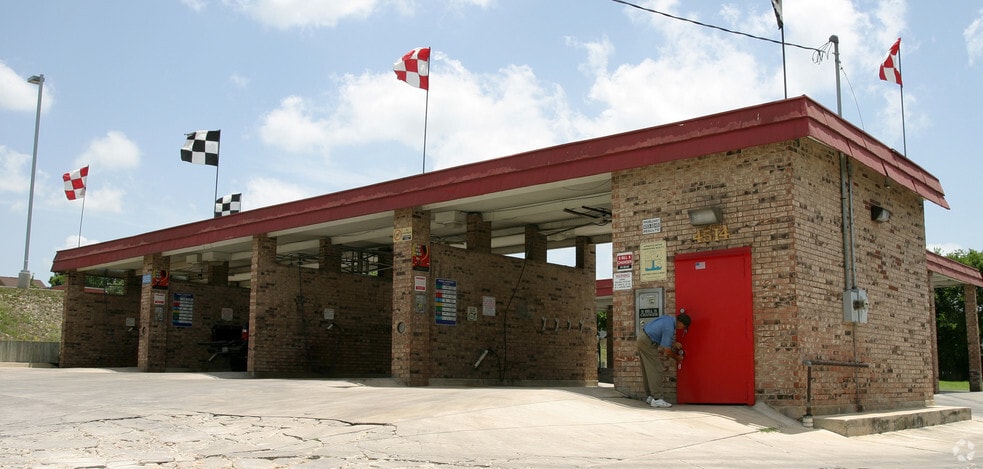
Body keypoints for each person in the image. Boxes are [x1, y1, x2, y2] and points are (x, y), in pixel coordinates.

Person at [636, 311, 691, 408]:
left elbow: (661, 336)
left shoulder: (668, 319)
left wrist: (673, 343)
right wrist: (677, 358)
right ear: (681, 323)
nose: (683, 329)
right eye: (684, 327)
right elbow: (667, 352)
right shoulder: (669, 328)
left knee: (647, 369)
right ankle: (657, 399)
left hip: (642, 337)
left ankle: (650, 396)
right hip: (647, 342)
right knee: (656, 369)